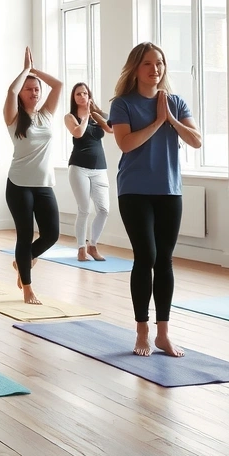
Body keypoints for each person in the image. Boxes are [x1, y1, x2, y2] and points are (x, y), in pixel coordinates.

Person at [109, 42, 201, 357]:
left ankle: (163, 333)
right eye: (148, 63)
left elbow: (196, 141)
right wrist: (158, 122)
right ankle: (142, 330)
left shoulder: (175, 102)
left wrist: (170, 118)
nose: (155, 69)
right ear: (136, 68)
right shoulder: (122, 104)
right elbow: (126, 143)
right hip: (134, 189)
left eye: (159, 63)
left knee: (165, 259)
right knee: (145, 256)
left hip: (169, 190)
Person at [4, 47, 63, 305]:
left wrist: (35, 70)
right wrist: (25, 71)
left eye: (37, 88)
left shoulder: (46, 115)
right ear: (22, 94)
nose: (35, 92)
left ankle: (22, 261)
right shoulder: (14, 117)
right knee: (25, 235)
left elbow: (59, 85)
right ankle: (27, 288)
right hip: (19, 185)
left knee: (51, 234)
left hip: (43, 185)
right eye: (29, 89)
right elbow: (10, 91)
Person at [64, 82, 112, 262]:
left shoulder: (99, 115)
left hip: (99, 168)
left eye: (85, 93)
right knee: (84, 209)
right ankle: (81, 249)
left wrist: (95, 114)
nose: (82, 96)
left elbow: (110, 129)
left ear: (89, 96)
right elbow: (78, 133)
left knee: (104, 209)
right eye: (78, 94)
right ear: (74, 98)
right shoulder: (70, 117)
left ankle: (93, 245)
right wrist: (85, 117)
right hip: (78, 168)